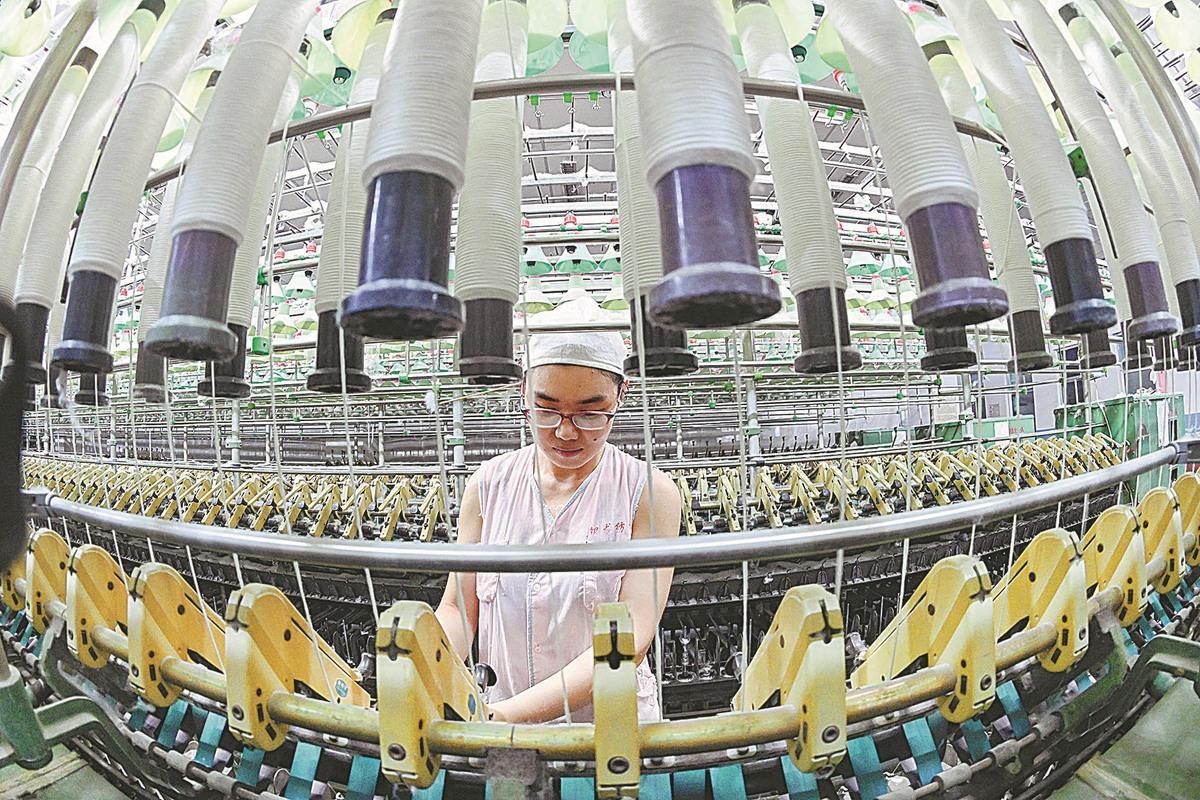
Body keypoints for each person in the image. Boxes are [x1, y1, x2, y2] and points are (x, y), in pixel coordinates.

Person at [435, 309, 681, 723]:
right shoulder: (489, 484)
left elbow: (632, 636)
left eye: (590, 413)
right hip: (497, 719)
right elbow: (459, 610)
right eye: (546, 410)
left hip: (610, 727)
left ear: (621, 394)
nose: (565, 432)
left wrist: (502, 716)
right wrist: (424, 669)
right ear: (523, 391)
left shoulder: (649, 492)